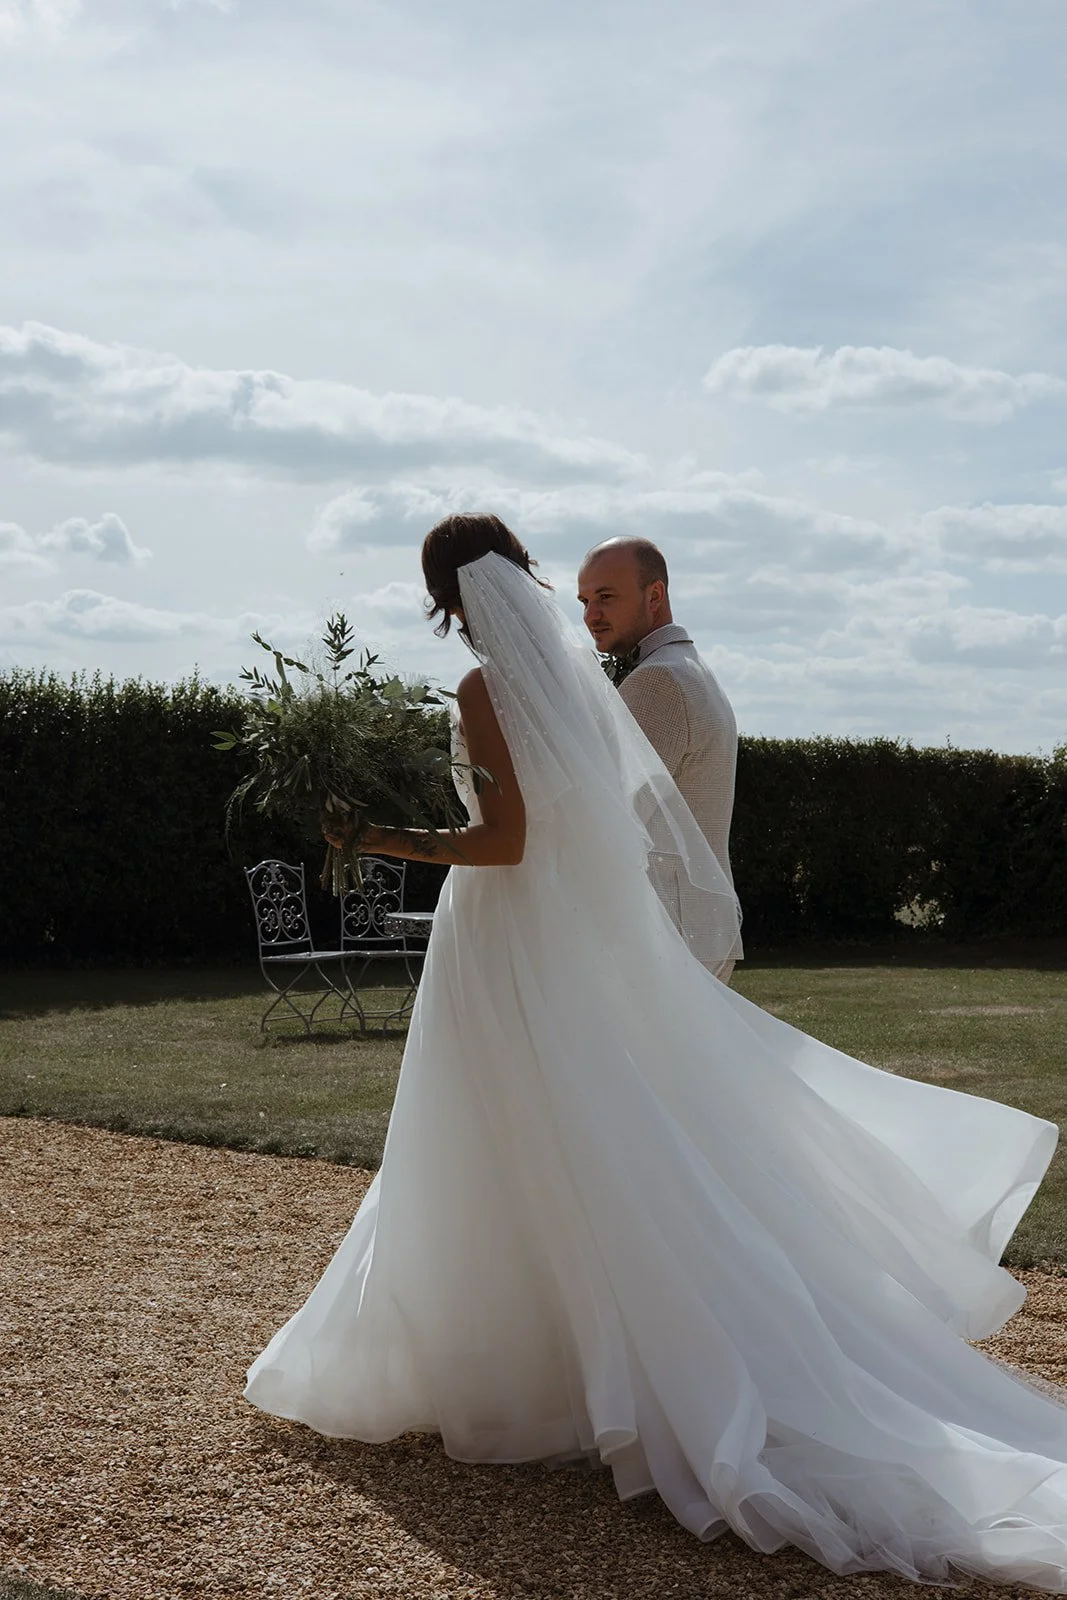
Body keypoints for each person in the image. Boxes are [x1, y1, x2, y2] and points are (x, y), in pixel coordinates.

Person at [246, 513, 1067, 1594]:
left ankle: (535, 1370)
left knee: (502, 1131)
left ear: (444, 598)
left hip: (503, 932)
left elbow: (506, 840)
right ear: (525, 577)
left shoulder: (490, 688)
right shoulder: (577, 681)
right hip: (554, 935)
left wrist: (377, 838)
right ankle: (568, 1364)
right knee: (558, 1132)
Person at [577, 536, 740, 981]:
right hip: (697, 923)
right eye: (585, 600)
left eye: (606, 597)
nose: (591, 615)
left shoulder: (658, 681)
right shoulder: (689, 667)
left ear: (655, 595)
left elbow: (612, 812)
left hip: (665, 931)